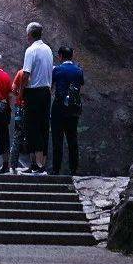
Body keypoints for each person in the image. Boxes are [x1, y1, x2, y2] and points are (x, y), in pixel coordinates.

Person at [22, 21, 54, 174]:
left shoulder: (31, 50)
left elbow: (26, 74)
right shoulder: (48, 49)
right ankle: (42, 164)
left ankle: (36, 165)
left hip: (33, 92)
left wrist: (22, 92)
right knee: (43, 126)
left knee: (32, 127)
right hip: (46, 92)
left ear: (29, 35)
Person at [50, 44, 85, 175]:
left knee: (57, 138)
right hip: (73, 108)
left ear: (60, 56)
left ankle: (56, 169)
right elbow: (81, 83)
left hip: (59, 107)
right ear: (72, 56)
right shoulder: (78, 70)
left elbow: (51, 85)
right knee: (72, 138)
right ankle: (74, 168)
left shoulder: (57, 70)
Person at [9, 66, 29, 173]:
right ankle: (34, 165)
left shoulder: (20, 72)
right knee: (31, 134)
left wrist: (18, 96)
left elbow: (13, 88)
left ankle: (13, 164)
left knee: (17, 135)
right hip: (31, 107)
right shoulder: (36, 73)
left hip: (19, 107)